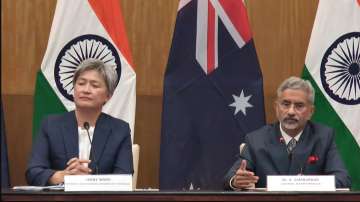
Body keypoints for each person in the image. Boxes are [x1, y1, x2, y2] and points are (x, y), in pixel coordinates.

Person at [224, 76, 351, 190]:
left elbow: (342, 179)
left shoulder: (323, 137)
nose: (291, 111)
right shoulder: (256, 139)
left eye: (299, 106)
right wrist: (236, 181)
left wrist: (303, 184)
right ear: (276, 108)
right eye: (285, 104)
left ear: (311, 112)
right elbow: (230, 177)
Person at [26, 59, 133, 186]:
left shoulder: (120, 130)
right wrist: (62, 176)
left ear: (108, 96)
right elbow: (33, 172)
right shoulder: (51, 125)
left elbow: (124, 177)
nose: (86, 90)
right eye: (81, 83)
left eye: (95, 85)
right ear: (74, 89)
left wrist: (89, 181)